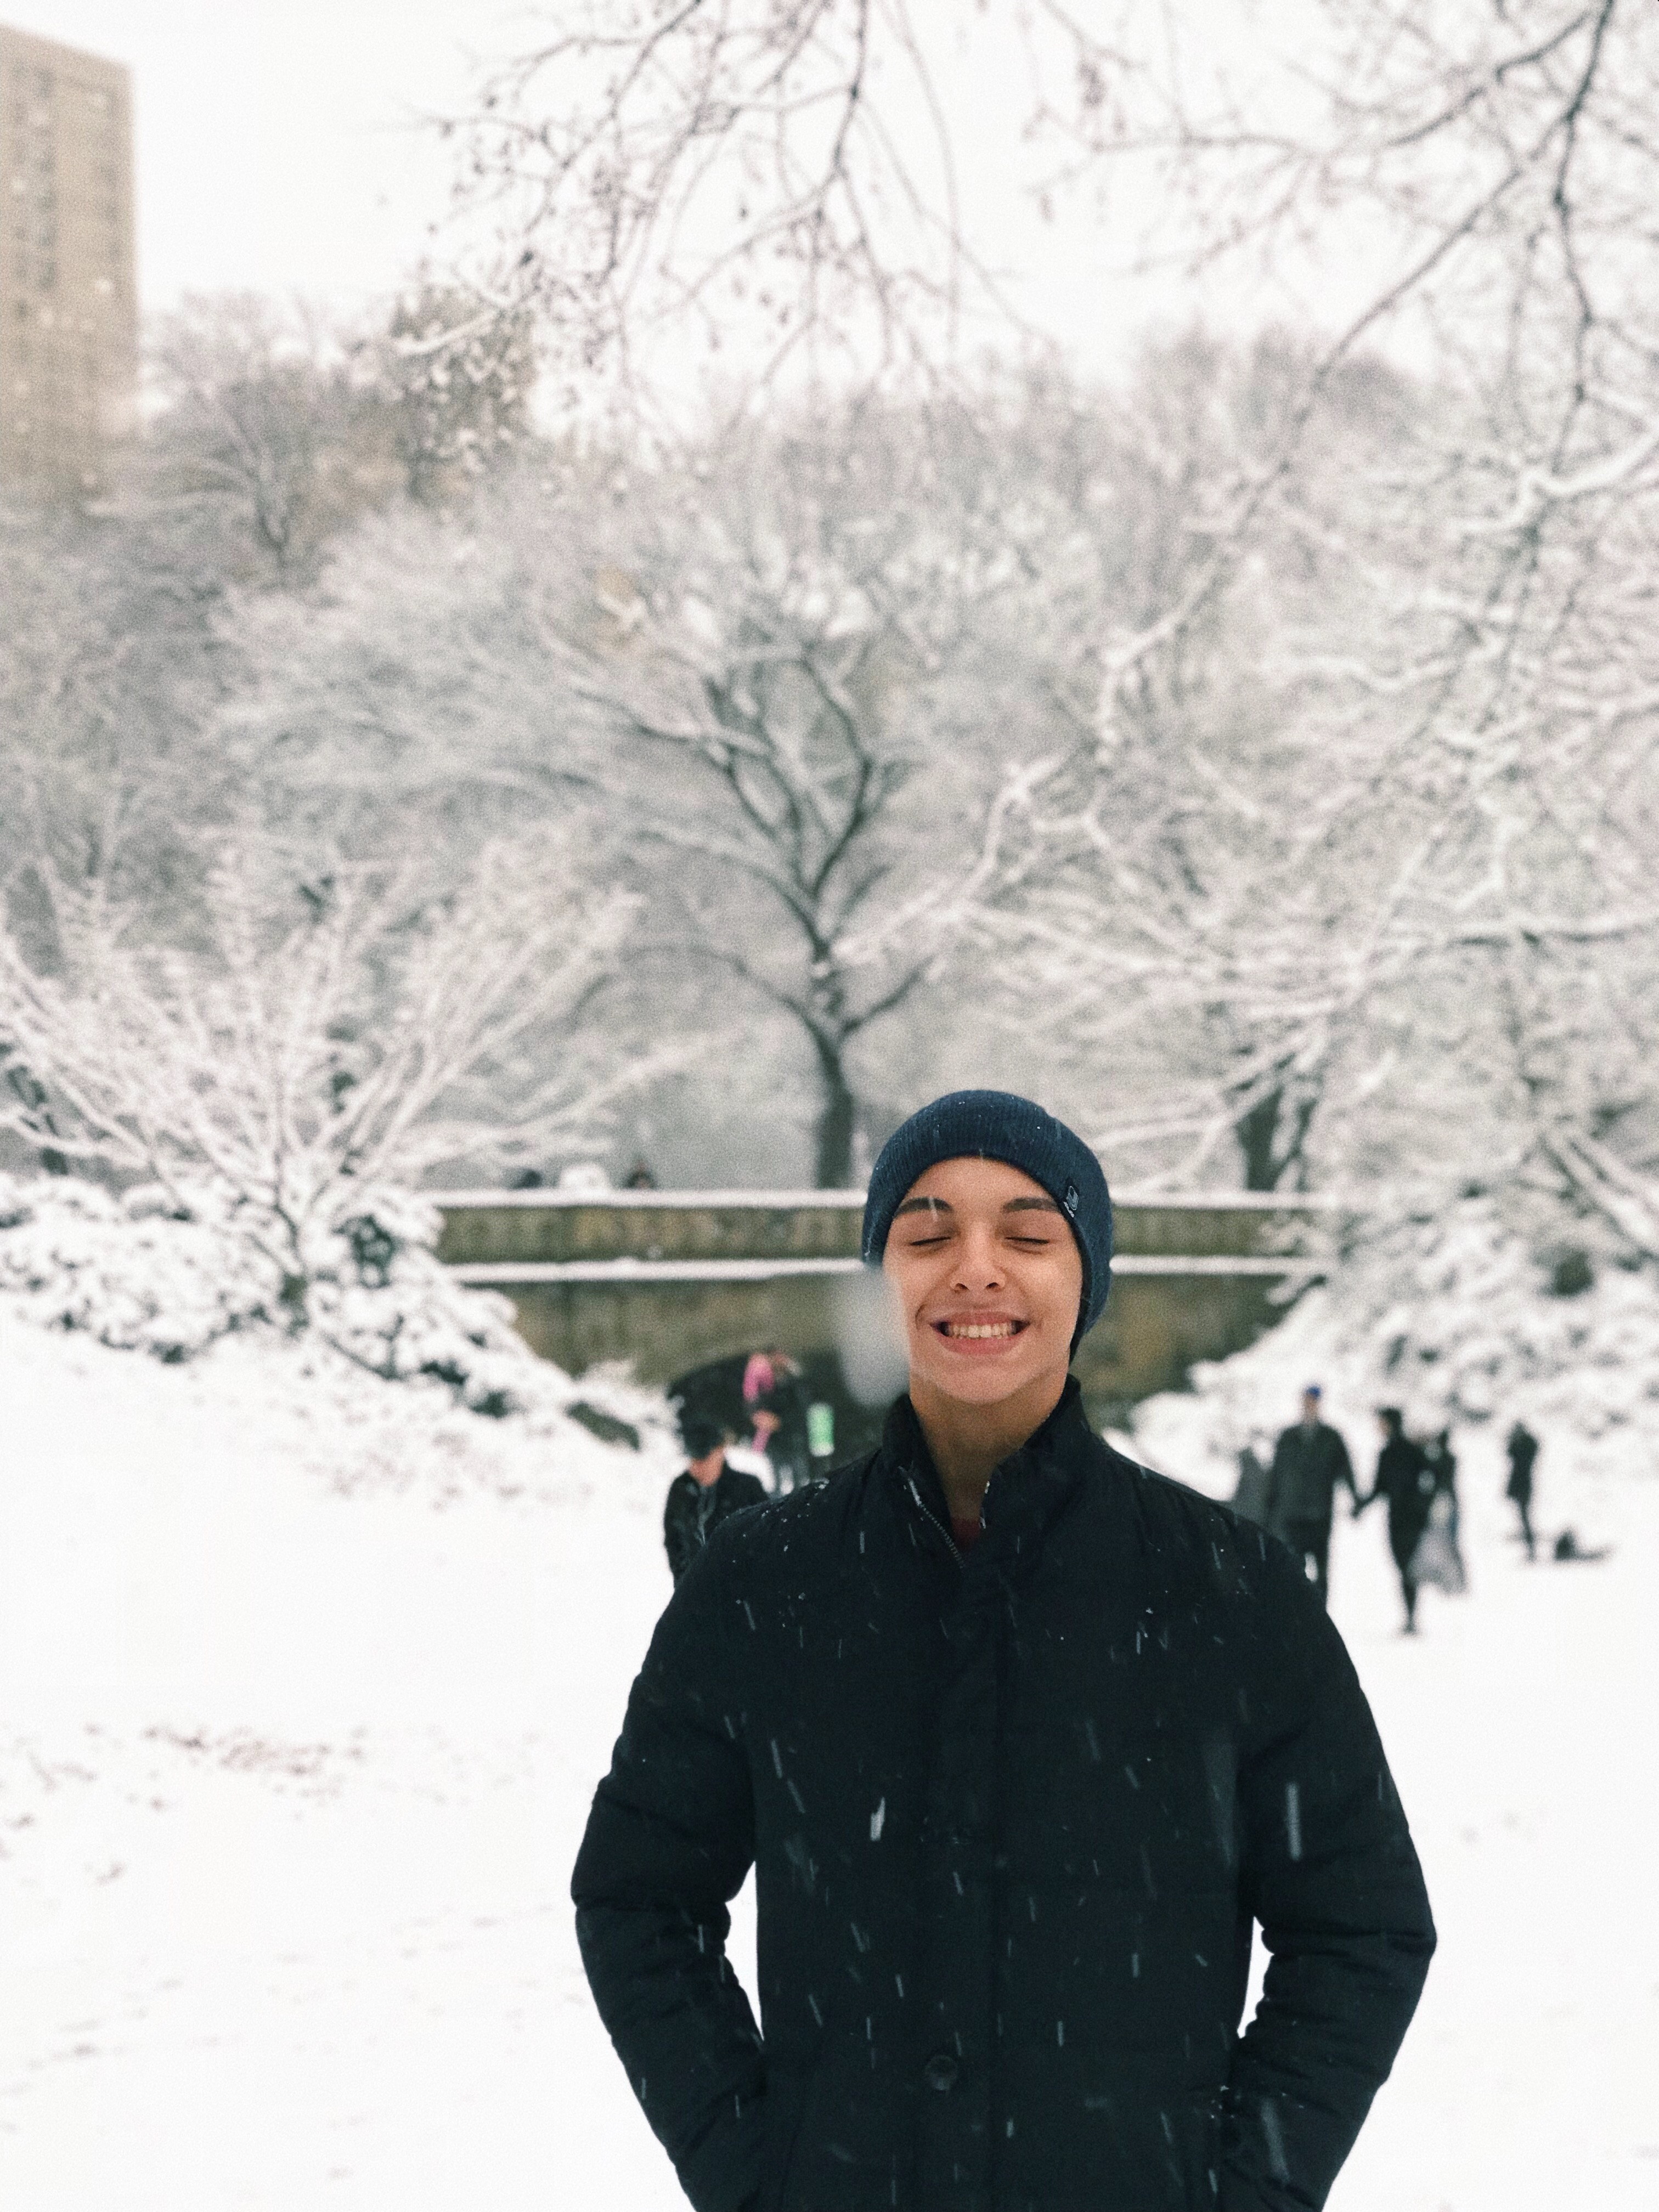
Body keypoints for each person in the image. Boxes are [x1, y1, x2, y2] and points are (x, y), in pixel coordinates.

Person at [575, 1090, 1435, 2212]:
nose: (975, 1270)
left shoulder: (1231, 1588)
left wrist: (1246, 2188)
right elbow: (640, 1898)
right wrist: (755, 2173)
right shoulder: (761, 1581)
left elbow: (1361, 1924)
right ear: (882, 1280)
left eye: (1028, 1234)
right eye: (927, 1234)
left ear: (1088, 1280)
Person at [1263, 1384, 1359, 1605]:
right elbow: (1276, 1474)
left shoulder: (1331, 1437)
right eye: (1306, 1401)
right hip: (1293, 1514)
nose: (1309, 1406)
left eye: (1313, 1401)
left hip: (1320, 1513)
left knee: (1322, 1568)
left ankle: (1320, 1616)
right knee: (1295, 1567)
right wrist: (1269, 1508)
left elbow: (1345, 1470)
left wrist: (1356, 1500)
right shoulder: (1288, 1437)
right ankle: (1299, 1613)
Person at [661, 1415, 769, 1585]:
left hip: (742, 1589)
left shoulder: (747, 1487)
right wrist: (685, 1582)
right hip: (694, 1590)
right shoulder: (681, 1488)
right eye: (692, 1460)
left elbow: (766, 1539)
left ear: (720, 1451)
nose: (697, 1468)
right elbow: (673, 1540)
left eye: (703, 1459)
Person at [1358, 1409, 1438, 1634]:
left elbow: (1434, 1474)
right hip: (1398, 1518)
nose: (1379, 1427)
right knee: (1403, 1567)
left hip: (1411, 1518)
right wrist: (1360, 1507)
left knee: (1407, 1566)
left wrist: (1425, 1502)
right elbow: (1380, 1488)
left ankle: (1411, 1617)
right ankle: (1411, 1616)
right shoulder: (1389, 1453)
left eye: (1382, 1423)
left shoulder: (1411, 1450)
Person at [1505, 1420, 1539, 1560]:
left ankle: (1531, 1548)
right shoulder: (1522, 1447)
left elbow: (1517, 1454)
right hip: (1521, 1485)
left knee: (1525, 1517)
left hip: (1523, 1485)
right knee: (1523, 1516)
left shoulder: (1525, 1447)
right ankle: (1530, 1546)